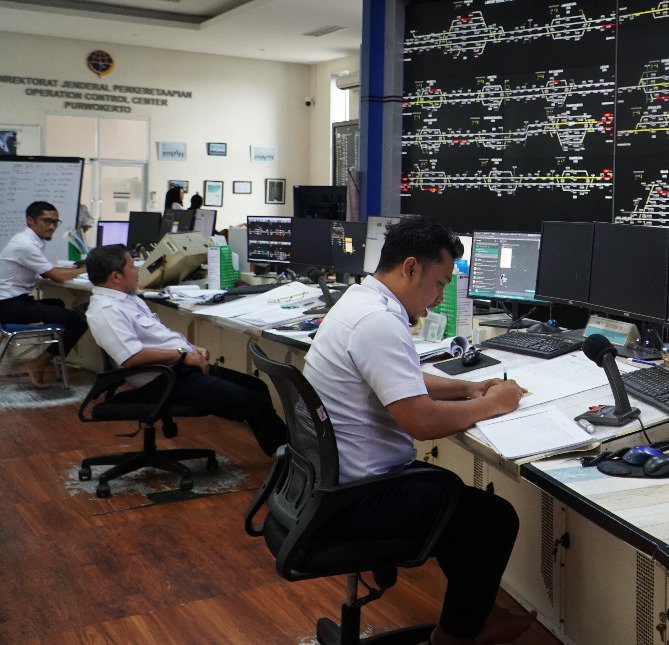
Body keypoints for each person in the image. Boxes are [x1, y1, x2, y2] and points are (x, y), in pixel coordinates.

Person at [304, 215, 534, 645]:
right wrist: (493, 404)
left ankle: (478, 617)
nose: (440, 296)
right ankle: (454, 637)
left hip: (330, 484)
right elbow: (421, 422)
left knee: (450, 496)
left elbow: (400, 378)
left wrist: (466, 389)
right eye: (440, 283)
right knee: (493, 519)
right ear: (410, 268)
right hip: (356, 497)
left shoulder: (360, 302)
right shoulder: (377, 321)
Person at [83, 244, 287, 456]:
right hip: (163, 380)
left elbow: (158, 336)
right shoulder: (106, 310)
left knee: (257, 387)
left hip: (178, 368)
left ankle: (281, 450)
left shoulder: (127, 299)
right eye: (132, 267)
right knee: (252, 402)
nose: (137, 271)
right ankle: (286, 457)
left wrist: (191, 349)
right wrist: (182, 355)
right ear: (116, 276)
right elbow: (131, 358)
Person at [0, 201, 89, 386]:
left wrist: (68, 270)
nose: (52, 226)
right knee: (79, 321)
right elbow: (57, 276)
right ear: (30, 221)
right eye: (47, 221)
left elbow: (46, 271)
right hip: (9, 306)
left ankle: (45, 355)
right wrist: (85, 269)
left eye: (55, 222)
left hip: (12, 302)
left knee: (57, 304)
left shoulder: (28, 240)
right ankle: (38, 363)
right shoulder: (25, 245)